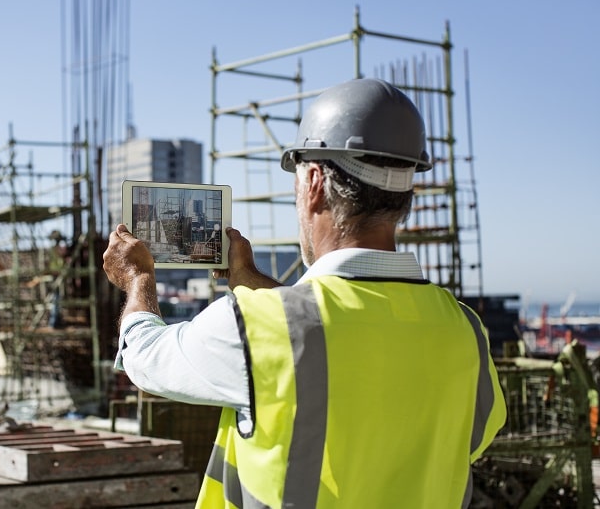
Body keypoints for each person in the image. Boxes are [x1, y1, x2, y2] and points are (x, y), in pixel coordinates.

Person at [102, 78, 506, 508]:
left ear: (313, 183)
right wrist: (249, 277)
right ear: (406, 192)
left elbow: (147, 358)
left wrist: (137, 279)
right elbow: (467, 438)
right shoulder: (465, 331)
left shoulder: (256, 326)